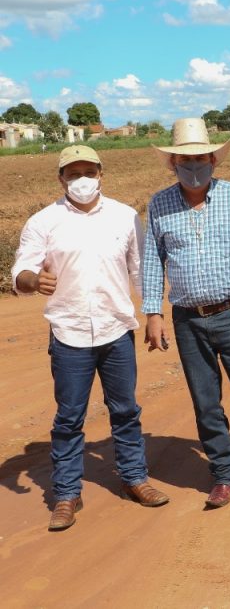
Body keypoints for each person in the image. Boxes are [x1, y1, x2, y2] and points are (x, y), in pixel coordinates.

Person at [12, 145, 170, 531]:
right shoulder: (43, 222)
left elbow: (141, 270)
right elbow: (21, 273)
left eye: (88, 171)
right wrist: (33, 280)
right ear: (60, 178)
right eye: (72, 173)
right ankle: (66, 494)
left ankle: (135, 479)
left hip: (116, 330)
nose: (81, 179)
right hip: (69, 334)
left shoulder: (125, 217)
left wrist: (154, 314)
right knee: (69, 417)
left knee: (126, 411)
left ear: (101, 173)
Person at [142, 118, 230, 509]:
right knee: (205, 402)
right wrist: (153, 312)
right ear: (172, 163)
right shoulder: (159, 204)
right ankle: (223, 474)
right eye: (184, 161)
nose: (193, 167)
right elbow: (153, 261)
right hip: (188, 319)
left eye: (200, 159)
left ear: (213, 160)